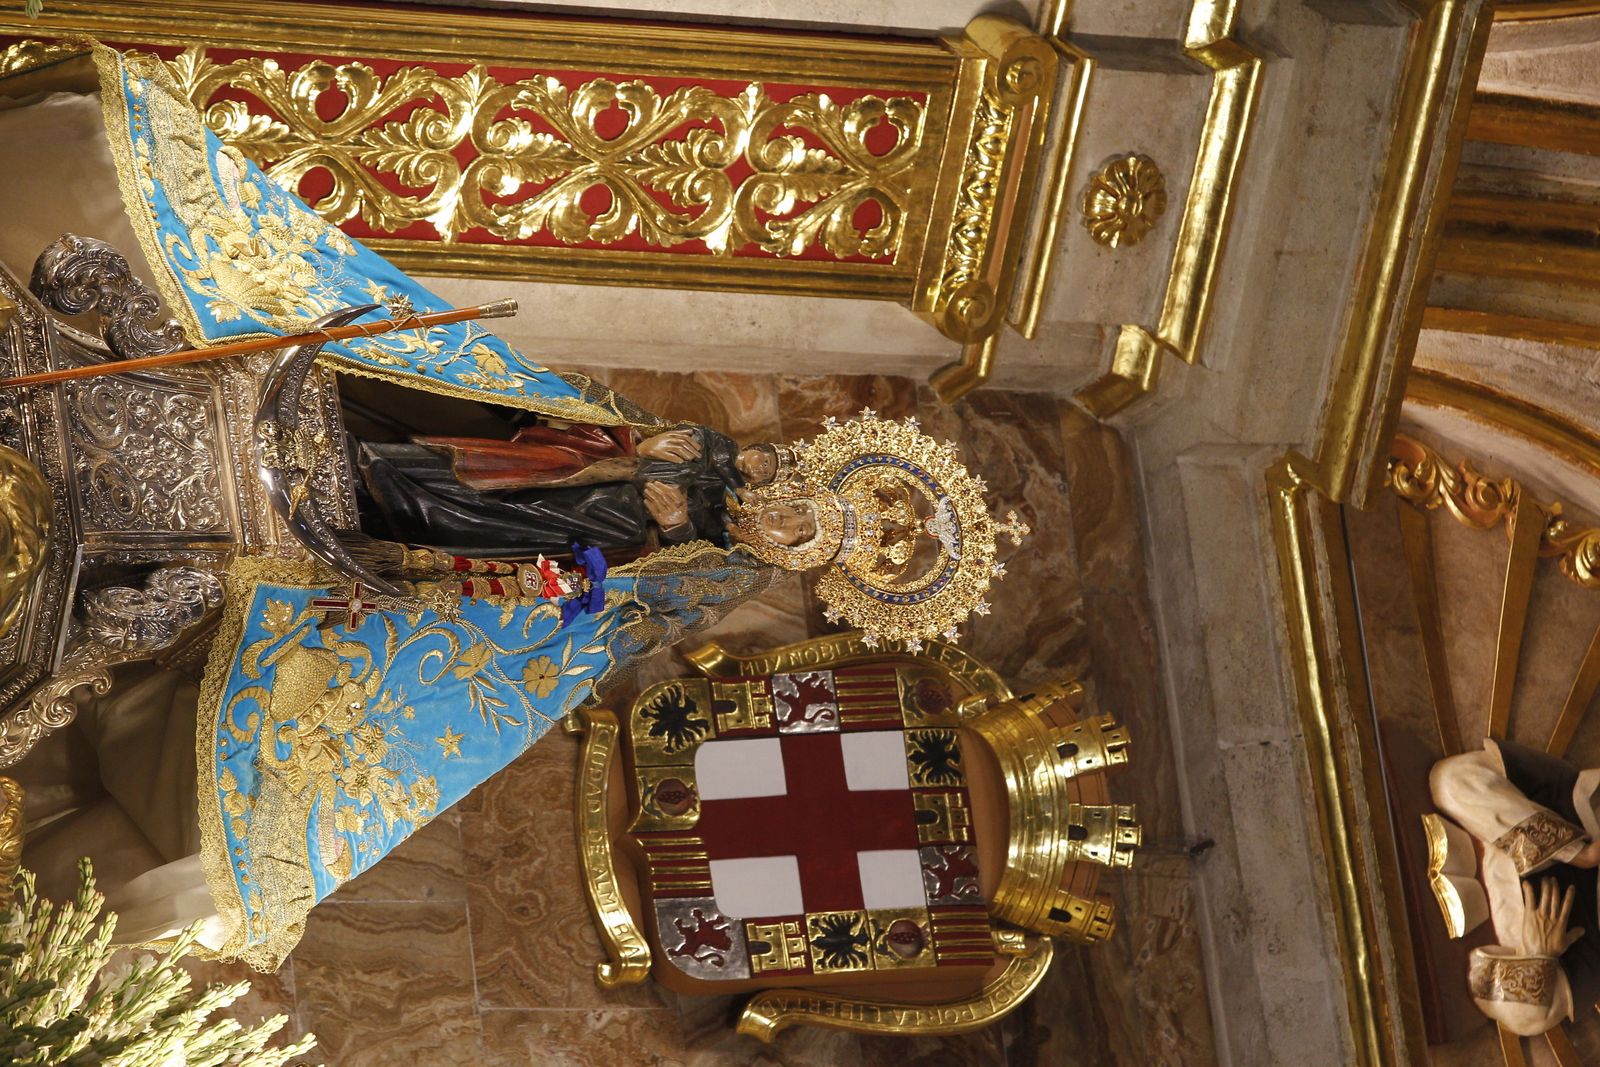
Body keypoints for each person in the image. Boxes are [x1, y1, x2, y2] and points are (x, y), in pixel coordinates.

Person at [1430, 739, 1600, 1035]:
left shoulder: (1589, 959)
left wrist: (1540, 952)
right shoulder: (1568, 794)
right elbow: (1451, 780)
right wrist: (1575, 852)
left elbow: (1527, 1018)